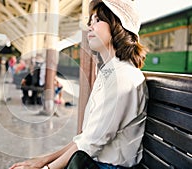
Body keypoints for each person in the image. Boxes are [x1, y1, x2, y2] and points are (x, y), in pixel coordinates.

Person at [9, 0, 148, 169]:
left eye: (97, 20)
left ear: (117, 25)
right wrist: (42, 160)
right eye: (90, 21)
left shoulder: (123, 77)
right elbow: (85, 139)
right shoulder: (111, 73)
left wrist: (46, 168)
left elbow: (90, 144)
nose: (90, 26)